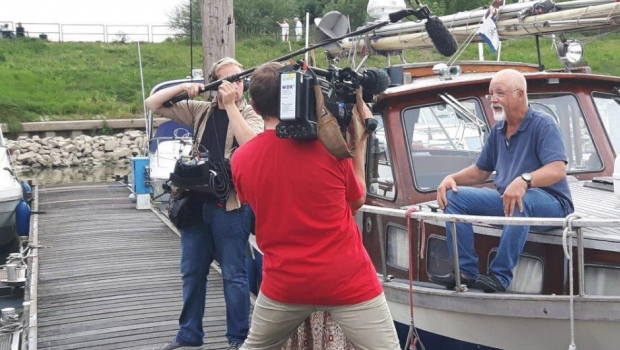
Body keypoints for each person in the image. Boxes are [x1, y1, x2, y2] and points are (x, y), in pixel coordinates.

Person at [232, 63, 400, 350]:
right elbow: (356, 199)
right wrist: (358, 140)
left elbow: (252, 201)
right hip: (346, 281)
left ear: (254, 106)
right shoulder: (330, 149)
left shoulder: (241, 157)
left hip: (284, 284)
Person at [145, 57, 263, 350]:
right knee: (192, 270)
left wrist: (232, 105)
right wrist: (186, 87)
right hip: (195, 202)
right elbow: (153, 104)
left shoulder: (250, 115)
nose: (234, 85)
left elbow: (253, 146)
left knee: (234, 274)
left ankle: (238, 338)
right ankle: (189, 334)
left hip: (231, 204)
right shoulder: (200, 111)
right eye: (225, 80)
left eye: (238, 79)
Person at [435, 68, 574, 293]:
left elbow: (558, 169)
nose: (493, 100)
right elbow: (480, 171)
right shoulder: (497, 130)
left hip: (553, 204)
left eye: (499, 93)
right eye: (491, 94)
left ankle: (499, 276)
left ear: (520, 95)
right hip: (508, 201)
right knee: (453, 197)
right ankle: (466, 271)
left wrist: (524, 180)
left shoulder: (543, 124)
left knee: (522, 198)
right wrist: (451, 178)